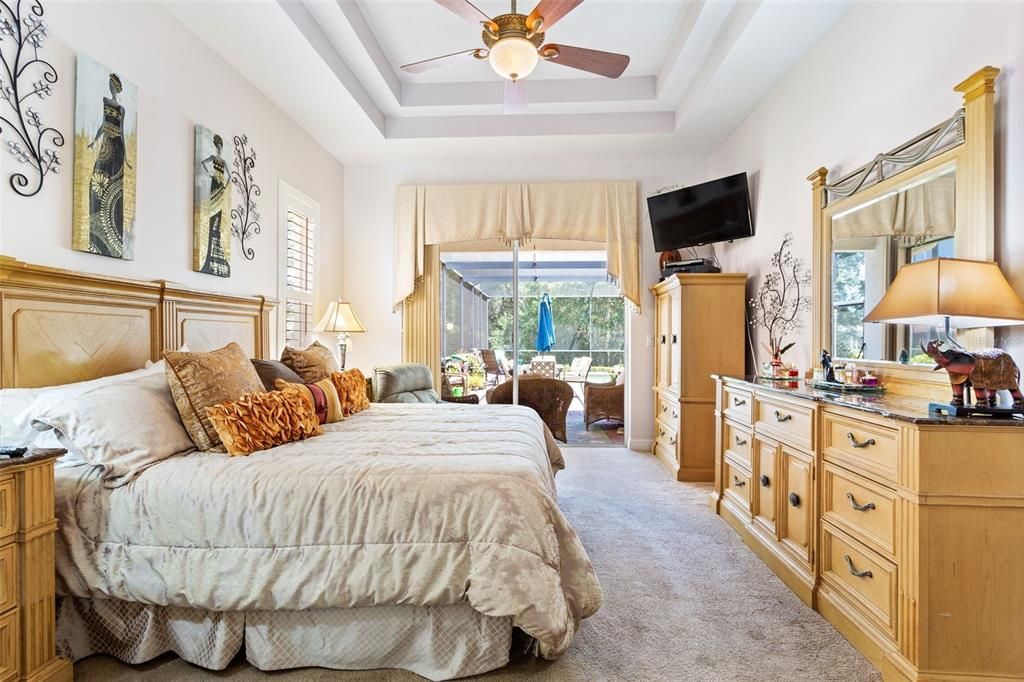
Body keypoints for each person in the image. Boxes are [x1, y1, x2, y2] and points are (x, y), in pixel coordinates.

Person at [87, 72, 130, 258]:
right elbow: (103, 125)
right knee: (97, 181)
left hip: (117, 146)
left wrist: (126, 158)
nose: (111, 87)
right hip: (106, 143)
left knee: (116, 185)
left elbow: (121, 133)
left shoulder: (122, 108)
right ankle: (95, 233)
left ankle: (114, 236)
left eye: (113, 85)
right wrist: (94, 141)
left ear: (116, 87)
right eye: (109, 84)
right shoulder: (105, 101)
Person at [199, 134, 230, 276]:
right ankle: (210, 254)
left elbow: (230, 176)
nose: (219, 149)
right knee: (212, 215)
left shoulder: (223, 161)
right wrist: (210, 175)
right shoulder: (214, 158)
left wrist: (225, 186)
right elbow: (202, 163)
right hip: (215, 185)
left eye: (220, 147)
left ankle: (216, 250)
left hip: (220, 187)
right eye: (217, 146)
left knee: (218, 216)